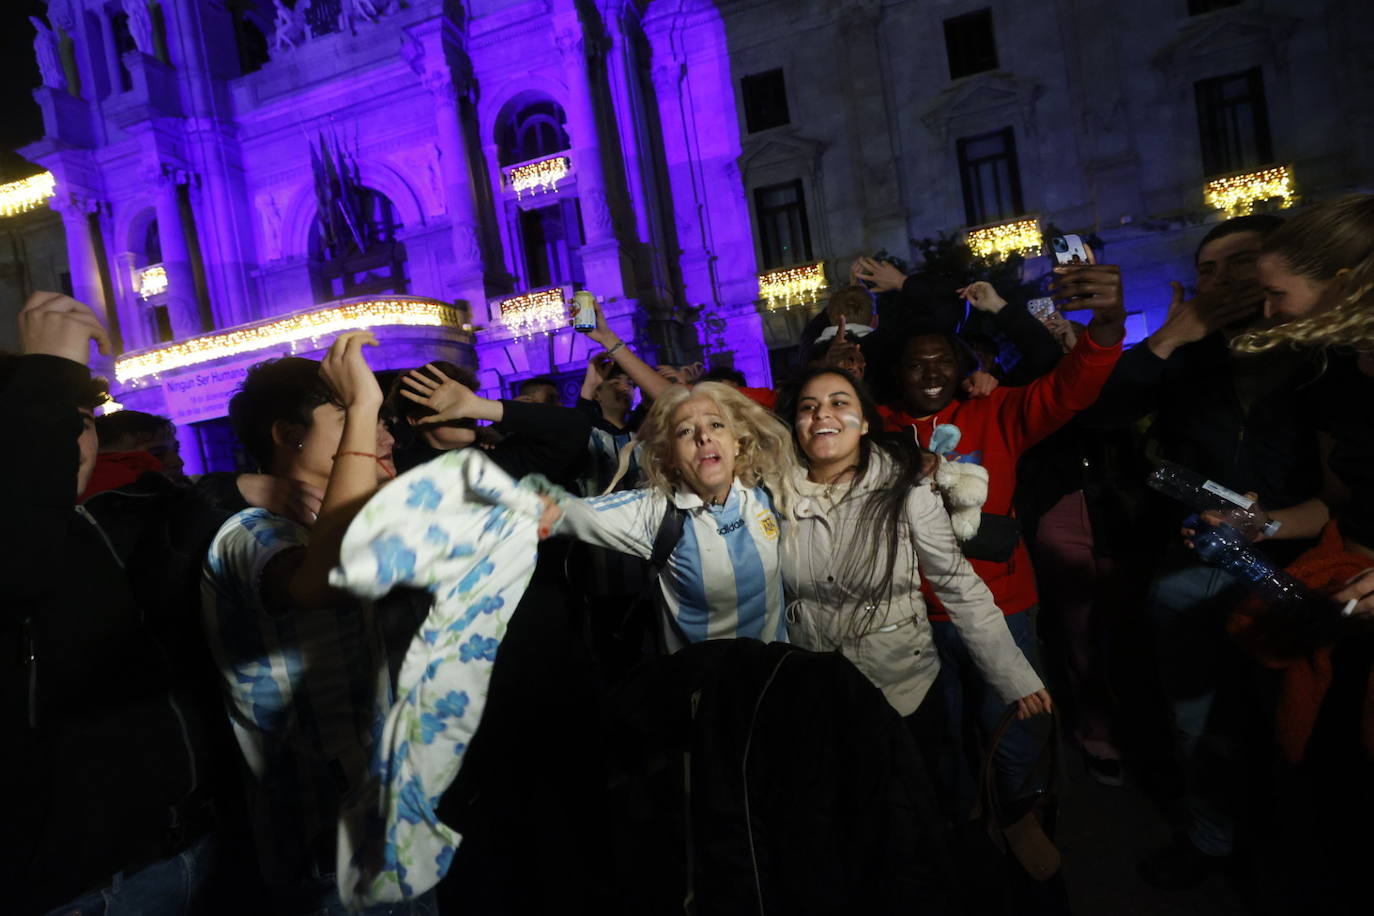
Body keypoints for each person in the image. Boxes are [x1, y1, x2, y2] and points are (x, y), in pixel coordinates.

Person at [1086, 213, 1323, 887]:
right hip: (1190, 562)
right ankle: (1213, 843)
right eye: (1208, 269)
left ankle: (1292, 855)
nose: (1221, 281)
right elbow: (1102, 413)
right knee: (1195, 718)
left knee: (1289, 716)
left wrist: (1271, 523)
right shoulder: (1187, 357)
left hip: (1291, 564)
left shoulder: (1316, 355)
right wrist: (1170, 338)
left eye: (1240, 264)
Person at [879, 257, 1126, 811]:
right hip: (911, 615)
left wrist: (1107, 323)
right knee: (942, 747)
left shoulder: (996, 410)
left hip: (1002, 608)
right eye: (917, 366)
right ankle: (970, 848)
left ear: (959, 362)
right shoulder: (878, 427)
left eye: (942, 361)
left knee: (1013, 738)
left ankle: (1027, 839)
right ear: (899, 374)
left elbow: (1072, 387)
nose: (932, 373)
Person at [199, 333, 430, 913]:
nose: (382, 430)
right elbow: (318, 584)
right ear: (287, 433)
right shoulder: (250, 534)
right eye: (354, 414)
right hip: (322, 842)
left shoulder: (349, 522)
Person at [4, 292, 218, 914]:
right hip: (72, 888)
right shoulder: (24, 542)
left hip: (176, 853)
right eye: (46, 422)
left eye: (84, 418)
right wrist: (44, 377)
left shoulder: (100, 526)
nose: (74, 440)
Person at [1207, 194, 1374, 913]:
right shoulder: (1340, 376)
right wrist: (1265, 525)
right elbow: (1340, 501)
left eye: (1277, 293)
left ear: (1343, 282)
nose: (1268, 312)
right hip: (1349, 611)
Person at [776, 367, 1050, 750]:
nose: (822, 414)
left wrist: (1012, 674)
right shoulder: (773, 495)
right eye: (809, 407)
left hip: (902, 691)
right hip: (821, 694)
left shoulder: (906, 488)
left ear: (866, 423)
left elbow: (958, 585)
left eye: (839, 402)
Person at [551, 381, 795, 650]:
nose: (703, 436)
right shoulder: (655, 512)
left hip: (772, 681)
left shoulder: (767, 490)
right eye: (685, 431)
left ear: (736, 443)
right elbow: (554, 510)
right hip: (697, 685)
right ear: (671, 458)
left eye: (716, 425)